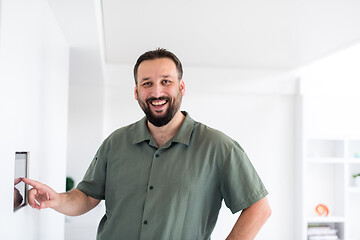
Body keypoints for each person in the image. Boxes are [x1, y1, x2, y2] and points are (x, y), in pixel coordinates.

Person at [23, 48, 271, 240]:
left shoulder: (218, 147)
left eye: (166, 81)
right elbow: (87, 197)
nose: (156, 92)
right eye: (147, 84)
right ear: (136, 92)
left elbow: (259, 208)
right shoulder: (115, 143)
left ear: (181, 87)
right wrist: (57, 199)